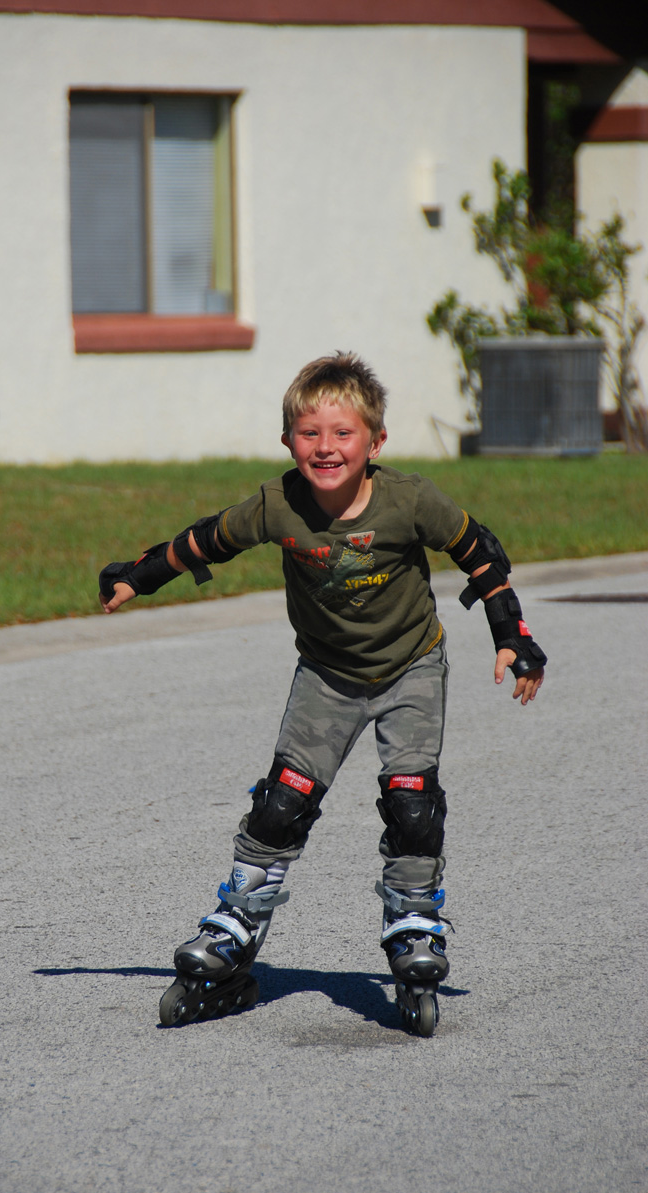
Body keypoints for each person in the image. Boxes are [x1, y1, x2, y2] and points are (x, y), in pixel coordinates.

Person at [99, 352, 546, 1036]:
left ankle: (414, 923)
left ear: (374, 442)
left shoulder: (409, 500)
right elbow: (206, 540)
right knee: (282, 802)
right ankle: (233, 929)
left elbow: (478, 552)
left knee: (411, 801)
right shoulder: (278, 505)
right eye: (309, 434)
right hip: (326, 675)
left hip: (410, 667)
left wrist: (509, 632)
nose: (326, 447)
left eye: (342, 434)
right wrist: (139, 575)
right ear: (287, 442)